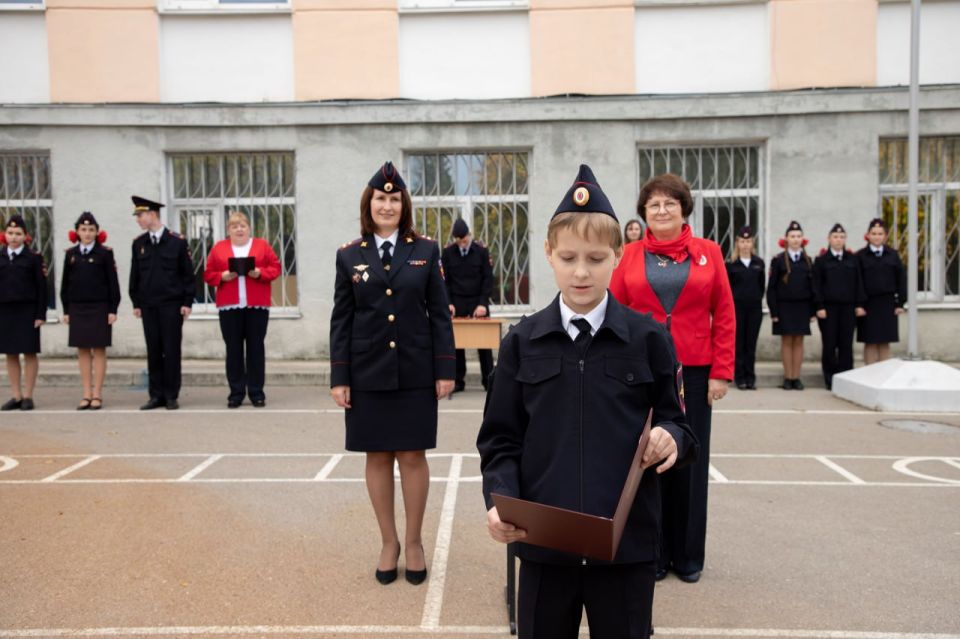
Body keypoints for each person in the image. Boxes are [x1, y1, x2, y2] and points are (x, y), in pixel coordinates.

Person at [478, 164, 698, 639]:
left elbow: (681, 424)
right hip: (543, 550)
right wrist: (499, 502)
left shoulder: (649, 338)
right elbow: (499, 439)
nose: (581, 272)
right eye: (569, 257)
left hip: (626, 550)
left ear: (618, 255)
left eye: (596, 258)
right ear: (548, 255)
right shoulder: (523, 341)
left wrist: (671, 439)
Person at [329, 161, 455, 586]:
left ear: (405, 205)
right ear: (370, 204)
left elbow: (439, 314)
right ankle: (389, 541)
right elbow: (341, 319)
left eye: (394, 198)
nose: (387, 205)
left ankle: (415, 541)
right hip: (367, 371)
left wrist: (445, 369)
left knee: (412, 455)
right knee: (377, 455)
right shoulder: (349, 255)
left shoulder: (425, 250)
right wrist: (339, 377)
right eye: (380, 198)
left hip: (416, 368)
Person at [609, 173, 734, 584]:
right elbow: (614, 310)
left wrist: (722, 372)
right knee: (646, 463)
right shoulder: (629, 255)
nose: (662, 210)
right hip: (643, 373)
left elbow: (725, 314)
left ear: (684, 209)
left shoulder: (709, 253)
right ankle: (654, 554)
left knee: (689, 466)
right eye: (654, 205)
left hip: (695, 373)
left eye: (670, 203)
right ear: (644, 213)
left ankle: (688, 555)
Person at [203, 211, 282, 408]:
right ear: (228, 230)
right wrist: (221, 276)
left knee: (256, 348)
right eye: (234, 226)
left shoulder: (261, 245)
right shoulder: (219, 248)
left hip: (256, 306)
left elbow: (276, 267)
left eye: (243, 225)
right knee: (234, 350)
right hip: (229, 307)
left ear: (249, 228)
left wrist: (259, 273)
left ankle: (256, 393)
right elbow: (207, 273)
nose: (239, 229)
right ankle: (236, 393)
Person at [129, 196, 195, 411]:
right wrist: (136, 302)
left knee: (171, 350)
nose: (138, 219)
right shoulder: (139, 243)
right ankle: (156, 395)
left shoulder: (176, 241)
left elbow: (187, 275)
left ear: (153, 214)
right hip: (149, 305)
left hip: (171, 305)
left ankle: (171, 395)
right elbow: (135, 276)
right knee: (154, 350)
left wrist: (187, 302)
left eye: (140, 215)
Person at [60, 212, 121, 410]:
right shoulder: (71, 254)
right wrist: (66, 309)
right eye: (83, 229)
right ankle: (86, 393)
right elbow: (65, 284)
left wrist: (113, 309)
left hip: (100, 307)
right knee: (83, 350)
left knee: (99, 349)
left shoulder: (104, 253)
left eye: (91, 230)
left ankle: (97, 394)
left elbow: (113, 284)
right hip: (77, 307)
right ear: (77, 231)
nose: (87, 233)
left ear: (97, 232)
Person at [441, 217, 494, 392]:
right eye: (459, 241)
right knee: (457, 345)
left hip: (478, 303)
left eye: (464, 241)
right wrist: (448, 303)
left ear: (469, 236)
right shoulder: (448, 253)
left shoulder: (481, 251)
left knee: (484, 344)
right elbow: (445, 281)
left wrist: (482, 304)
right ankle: (458, 381)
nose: (462, 245)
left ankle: (488, 380)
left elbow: (488, 279)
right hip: (457, 303)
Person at [0, 215, 46, 411]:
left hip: (27, 311)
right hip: (5, 311)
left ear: (25, 236)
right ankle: (16, 395)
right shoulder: (0, 256)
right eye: (10, 233)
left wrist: (40, 314)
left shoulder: (34, 258)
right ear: (5, 235)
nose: (13, 237)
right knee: (10, 354)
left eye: (18, 234)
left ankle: (28, 396)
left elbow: (42, 288)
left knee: (29, 353)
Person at [813, 223, 867, 390]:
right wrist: (819, 306)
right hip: (828, 310)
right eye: (835, 237)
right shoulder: (821, 261)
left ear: (845, 239)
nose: (838, 240)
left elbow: (859, 283)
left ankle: (846, 378)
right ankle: (829, 378)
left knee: (846, 344)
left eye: (842, 237)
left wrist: (859, 304)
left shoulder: (853, 260)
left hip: (848, 309)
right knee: (829, 344)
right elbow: (816, 285)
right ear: (829, 239)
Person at [767, 221, 817, 390]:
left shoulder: (808, 260)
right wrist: (774, 311)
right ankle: (788, 377)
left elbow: (813, 288)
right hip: (784, 307)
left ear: (803, 239)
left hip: (802, 307)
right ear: (786, 239)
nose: (796, 239)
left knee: (799, 341)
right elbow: (772, 288)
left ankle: (797, 377)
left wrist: (813, 311)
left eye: (798, 236)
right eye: (792, 236)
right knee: (787, 341)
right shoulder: (779, 260)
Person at [856, 218, 906, 365]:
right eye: (874, 233)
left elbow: (901, 280)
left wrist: (900, 303)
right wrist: (859, 304)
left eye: (880, 233)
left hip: (887, 303)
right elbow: (857, 282)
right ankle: (869, 376)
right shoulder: (860, 256)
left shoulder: (892, 255)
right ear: (868, 235)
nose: (877, 236)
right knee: (870, 341)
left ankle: (884, 376)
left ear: (885, 236)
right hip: (868, 304)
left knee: (885, 341)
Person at [725, 225, 765, 390]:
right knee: (739, 344)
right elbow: (727, 289)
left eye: (748, 241)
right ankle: (740, 377)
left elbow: (762, 286)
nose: (745, 244)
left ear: (752, 243)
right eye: (742, 241)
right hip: (738, 309)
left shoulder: (758, 263)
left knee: (751, 344)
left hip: (754, 309)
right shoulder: (732, 264)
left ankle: (751, 378)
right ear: (737, 243)